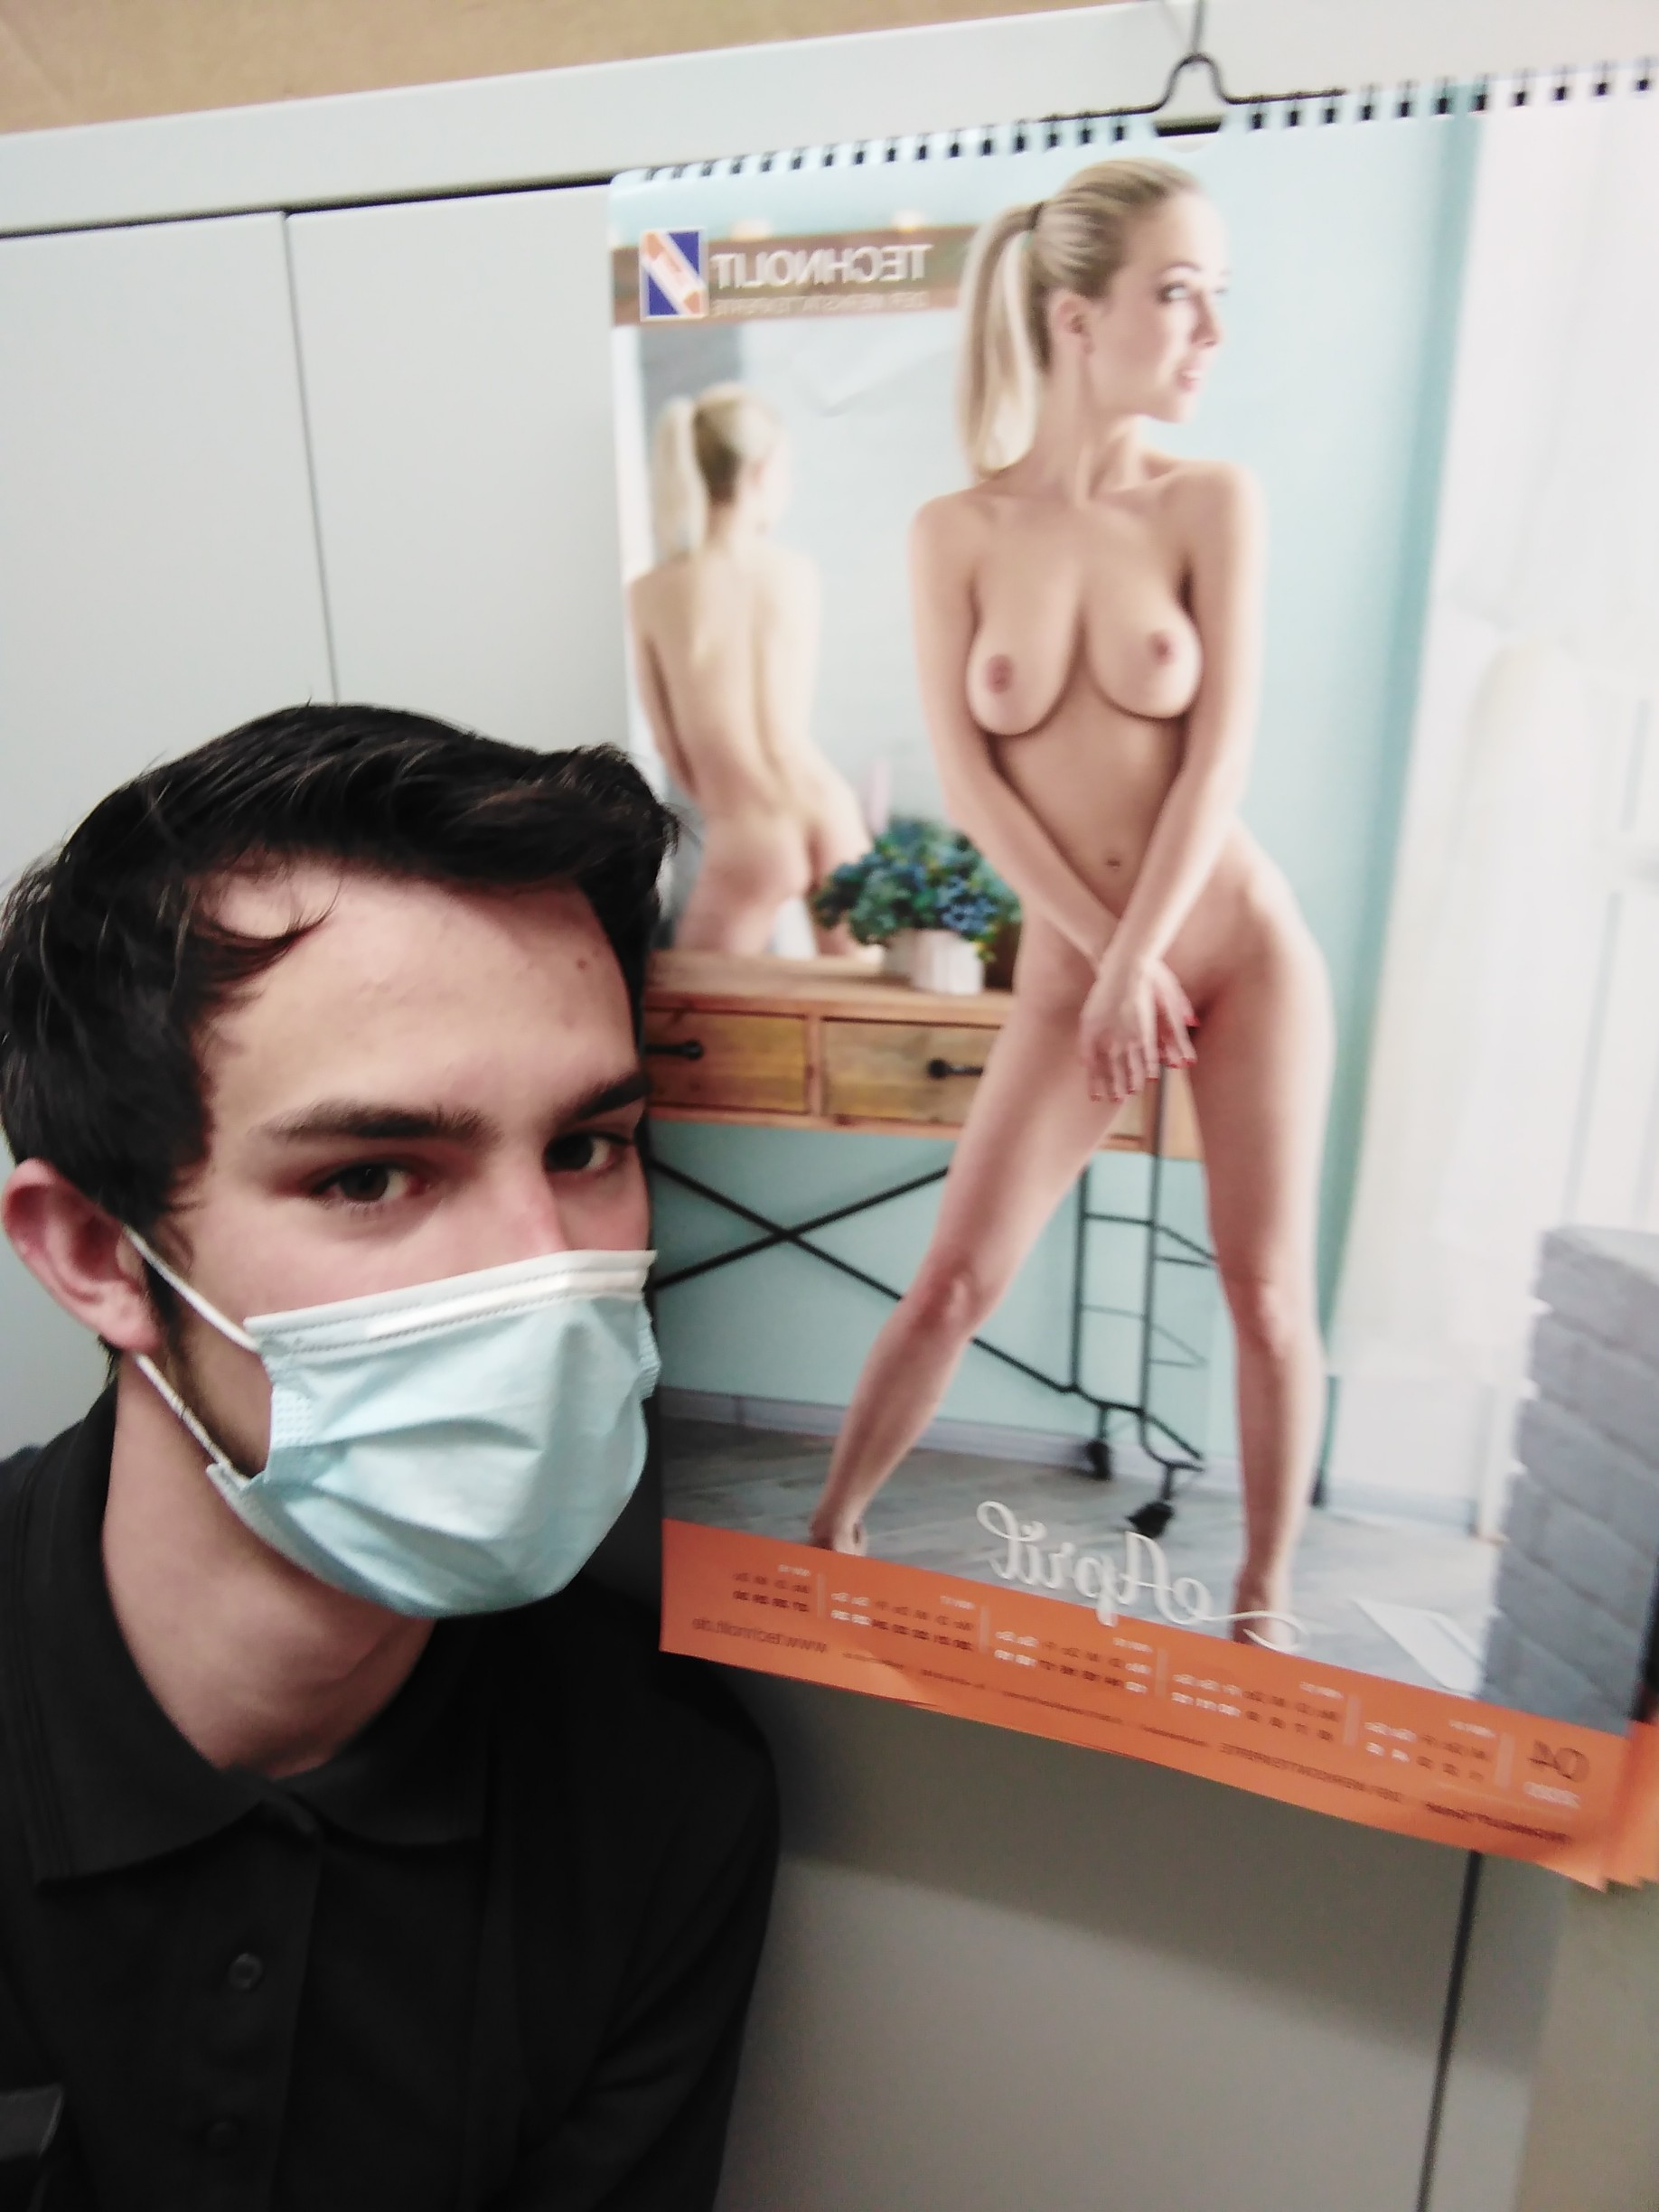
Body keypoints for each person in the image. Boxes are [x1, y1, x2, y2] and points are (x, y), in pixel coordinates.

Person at [0, 707, 777, 2209]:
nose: (541, 1272)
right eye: (370, 1175)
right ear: (97, 1252)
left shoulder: (662, 1791)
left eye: (585, 1148)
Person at [807, 161, 1335, 1647]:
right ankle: (828, 1538)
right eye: (1179, 293)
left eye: (1218, 295)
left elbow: (1219, 756)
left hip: (1236, 948)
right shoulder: (956, 531)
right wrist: (1109, 963)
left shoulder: (1212, 502)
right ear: (1075, 317)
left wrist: (1143, 954)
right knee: (953, 1281)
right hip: (1078, 966)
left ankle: (1263, 1606)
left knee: (1265, 1293)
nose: (1211, 331)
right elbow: (972, 787)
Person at [628, 383, 870, 955]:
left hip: (748, 825)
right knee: (860, 996)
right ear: (763, 472)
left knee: (699, 1007)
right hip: (826, 804)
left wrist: (723, 805)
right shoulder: (795, 574)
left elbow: (668, 745)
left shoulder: (652, 593)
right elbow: (790, 713)